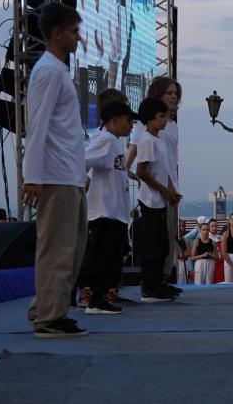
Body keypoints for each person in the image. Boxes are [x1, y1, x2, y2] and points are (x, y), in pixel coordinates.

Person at [24, 2, 88, 338]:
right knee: (57, 249)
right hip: (54, 175)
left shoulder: (58, 71)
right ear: (57, 33)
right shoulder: (48, 71)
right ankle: (49, 319)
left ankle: (46, 309)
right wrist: (32, 175)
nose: (79, 37)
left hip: (70, 174)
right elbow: (37, 125)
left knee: (74, 248)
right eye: (74, 31)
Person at [76, 101, 137, 315]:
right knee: (101, 257)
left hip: (114, 211)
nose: (131, 126)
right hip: (104, 211)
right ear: (113, 120)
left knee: (111, 257)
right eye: (128, 121)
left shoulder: (113, 142)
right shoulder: (106, 140)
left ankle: (99, 296)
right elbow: (84, 160)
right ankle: (93, 297)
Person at [126, 77, 182, 293]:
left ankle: (164, 279)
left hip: (170, 186)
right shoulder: (145, 126)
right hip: (156, 190)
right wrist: (124, 170)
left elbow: (171, 159)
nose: (174, 96)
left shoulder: (173, 126)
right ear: (158, 95)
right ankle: (153, 282)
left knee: (168, 237)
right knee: (156, 239)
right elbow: (133, 149)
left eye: (176, 93)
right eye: (169, 93)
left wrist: (172, 188)